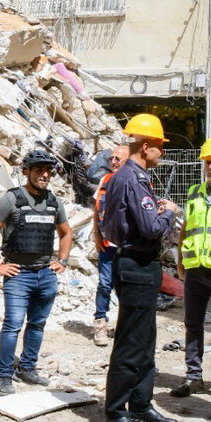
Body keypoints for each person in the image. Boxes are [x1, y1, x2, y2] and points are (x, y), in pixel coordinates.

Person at [98, 113, 179, 422]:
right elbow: (149, 227)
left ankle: (141, 405)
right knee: (132, 341)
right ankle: (116, 410)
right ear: (147, 147)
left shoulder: (133, 178)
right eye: (159, 147)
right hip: (135, 265)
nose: (161, 153)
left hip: (140, 265)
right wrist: (169, 212)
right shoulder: (132, 179)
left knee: (145, 340)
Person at [0, 148, 72, 396]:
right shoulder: (11, 199)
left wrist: (62, 261)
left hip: (45, 273)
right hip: (18, 274)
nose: (44, 174)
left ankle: (28, 367)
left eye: (47, 170)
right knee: (12, 324)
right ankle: (4, 375)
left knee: (38, 323)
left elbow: (66, 233)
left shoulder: (54, 201)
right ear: (26, 172)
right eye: (38, 170)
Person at [170, 138, 211, 397]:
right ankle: (193, 377)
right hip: (195, 268)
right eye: (207, 162)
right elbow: (186, 227)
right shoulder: (195, 191)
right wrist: (180, 261)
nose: (210, 167)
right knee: (192, 324)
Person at [91, 144, 129, 347]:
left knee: (125, 286)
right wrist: (96, 234)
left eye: (117, 159)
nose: (113, 162)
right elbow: (96, 210)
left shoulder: (133, 182)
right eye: (111, 159)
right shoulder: (105, 181)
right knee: (105, 284)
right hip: (107, 245)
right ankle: (100, 323)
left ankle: (126, 325)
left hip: (127, 247)